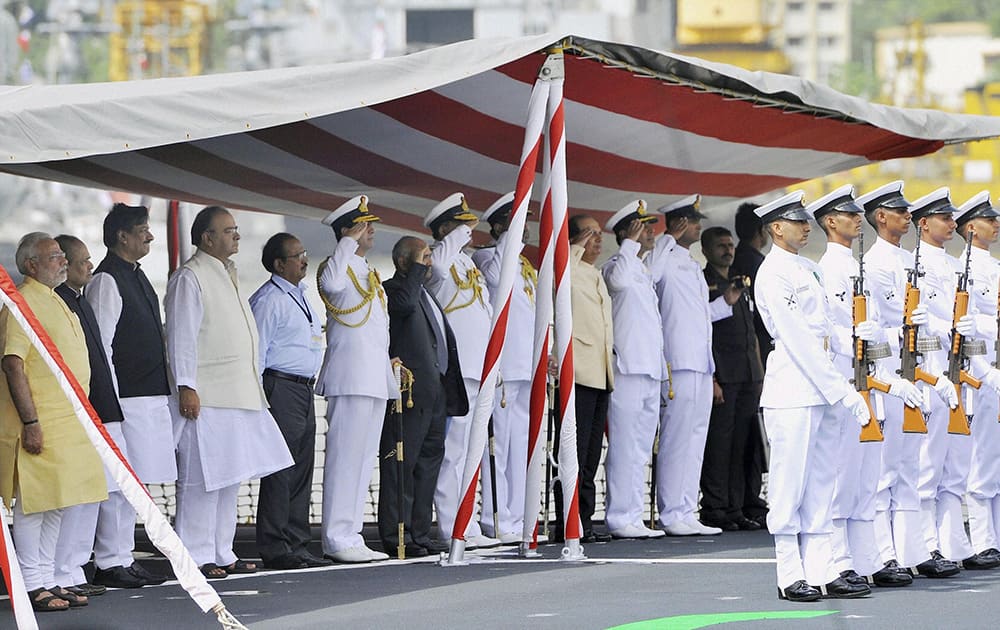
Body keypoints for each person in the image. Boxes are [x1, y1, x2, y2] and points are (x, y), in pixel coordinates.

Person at [752, 191, 871, 601]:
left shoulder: (807, 267)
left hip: (820, 389)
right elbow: (798, 338)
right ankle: (789, 574)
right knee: (790, 484)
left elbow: (823, 327)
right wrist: (842, 391)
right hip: (792, 389)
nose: (806, 227)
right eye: (797, 221)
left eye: (806, 221)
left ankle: (821, 569)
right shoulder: (772, 273)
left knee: (822, 481)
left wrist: (855, 338)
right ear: (775, 228)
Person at [165, 205, 292, 579]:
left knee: (229, 479)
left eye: (236, 230)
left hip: (237, 393)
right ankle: (193, 554)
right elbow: (181, 337)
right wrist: (186, 385)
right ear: (207, 238)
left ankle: (222, 551)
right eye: (228, 230)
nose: (236, 236)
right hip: (207, 396)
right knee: (201, 480)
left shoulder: (226, 272)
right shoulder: (190, 276)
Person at [810, 186, 918, 587]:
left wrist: (889, 379)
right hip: (846, 381)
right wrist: (853, 334)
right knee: (841, 479)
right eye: (848, 214)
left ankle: (868, 559)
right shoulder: (829, 268)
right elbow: (827, 330)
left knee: (866, 481)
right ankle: (837, 563)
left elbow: (874, 334)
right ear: (830, 222)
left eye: (859, 213)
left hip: (871, 381)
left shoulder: (856, 267)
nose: (857, 219)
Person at [857, 181, 960, 581]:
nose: (907, 217)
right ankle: (882, 555)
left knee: (910, 471)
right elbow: (876, 324)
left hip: (917, 374)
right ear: (880, 217)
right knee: (884, 474)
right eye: (899, 212)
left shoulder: (909, 260)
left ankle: (913, 550)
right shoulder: (876, 262)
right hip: (889, 377)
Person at [0, 232, 107, 611]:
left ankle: (48, 579)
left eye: (63, 255)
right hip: (41, 420)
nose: (63, 261)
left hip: (69, 421)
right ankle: (32, 586)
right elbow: (13, 363)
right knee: (36, 505)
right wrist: (30, 421)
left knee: (58, 503)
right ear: (31, 265)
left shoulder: (54, 299)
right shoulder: (21, 302)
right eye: (55, 256)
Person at [907, 188, 999, 571]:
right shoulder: (920, 264)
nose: (950, 223)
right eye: (944, 218)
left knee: (956, 468)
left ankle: (954, 545)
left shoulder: (951, 266)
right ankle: (928, 546)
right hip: (934, 373)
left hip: (965, 371)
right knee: (930, 466)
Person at [87, 203, 177, 588]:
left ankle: (123, 554)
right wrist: (109, 401)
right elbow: (101, 346)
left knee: (134, 483)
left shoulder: (135, 275)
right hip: (125, 398)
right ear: (121, 236)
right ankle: (110, 559)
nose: (150, 236)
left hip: (147, 394)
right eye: (142, 230)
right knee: (119, 483)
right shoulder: (107, 280)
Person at [647, 194, 741, 536]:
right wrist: (667, 237)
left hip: (701, 363)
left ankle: (686, 509)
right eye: (693, 220)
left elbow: (697, 316)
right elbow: (649, 278)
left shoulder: (688, 262)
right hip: (678, 363)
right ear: (680, 223)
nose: (698, 226)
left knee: (696, 437)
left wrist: (724, 304)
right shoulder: (664, 257)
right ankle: (671, 511)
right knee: (676, 438)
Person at [315, 195, 397, 563]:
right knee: (344, 459)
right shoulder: (336, 266)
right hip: (350, 378)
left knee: (363, 460)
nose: (371, 231)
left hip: (373, 377)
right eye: (364, 226)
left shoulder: (366, 269)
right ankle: (336, 536)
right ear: (348, 231)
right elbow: (331, 286)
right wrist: (346, 241)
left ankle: (351, 533)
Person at [379, 236, 468, 557]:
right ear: (405, 263)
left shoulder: (425, 293)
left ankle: (419, 533)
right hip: (410, 393)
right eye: (424, 258)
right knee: (403, 464)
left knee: (429, 464)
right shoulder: (396, 290)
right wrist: (414, 272)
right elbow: (401, 306)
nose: (430, 263)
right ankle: (397, 533)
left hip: (435, 391)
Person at [249, 232, 330, 570]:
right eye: (297, 256)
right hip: (279, 386)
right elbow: (257, 352)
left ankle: (297, 541)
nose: (304, 260)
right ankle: (275, 545)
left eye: (304, 253)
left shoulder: (302, 295)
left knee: (301, 468)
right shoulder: (269, 299)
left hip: (302, 389)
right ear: (279, 264)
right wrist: (260, 398)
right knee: (281, 468)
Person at [50, 235, 123, 598]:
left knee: (96, 490)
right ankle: (60, 571)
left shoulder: (80, 301)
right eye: (82, 262)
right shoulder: (57, 302)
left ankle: (75, 569)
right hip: (78, 411)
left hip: (100, 408)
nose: (89, 267)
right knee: (74, 495)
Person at [425, 192, 499, 549]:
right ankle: (452, 526)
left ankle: (467, 523)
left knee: (473, 451)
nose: (469, 231)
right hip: (455, 370)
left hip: (477, 367)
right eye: (461, 224)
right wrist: (453, 236)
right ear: (444, 230)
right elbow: (437, 268)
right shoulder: (440, 259)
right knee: (453, 451)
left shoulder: (468, 264)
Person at [471, 192, 536, 543]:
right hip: (504, 368)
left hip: (525, 366)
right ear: (499, 226)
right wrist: (505, 238)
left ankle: (516, 515)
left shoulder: (524, 265)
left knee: (521, 447)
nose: (524, 228)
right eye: (516, 221)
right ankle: (494, 518)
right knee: (499, 446)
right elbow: (499, 276)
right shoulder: (487, 258)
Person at [600, 200, 666, 540]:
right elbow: (619, 284)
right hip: (626, 367)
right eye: (642, 227)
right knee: (625, 445)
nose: (650, 232)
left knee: (640, 446)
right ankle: (619, 517)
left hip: (648, 368)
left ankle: (633, 515)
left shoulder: (641, 269)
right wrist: (628, 244)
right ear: (626, 233)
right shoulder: (617, 265)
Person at [551, 214, 615, 544]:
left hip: (599, 371)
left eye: (599, 234)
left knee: (591, 454)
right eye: (590, 234)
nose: (597, 240)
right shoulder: (567, 270)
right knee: (572, 453)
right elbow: (561, 280)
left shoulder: (594, 274)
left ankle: (584, 521)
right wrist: (573, 248)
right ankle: (567, 521)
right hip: (577, 372)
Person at [698, 226, 764, 532]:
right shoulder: (704, 281)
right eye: (720, 245)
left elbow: (750, 332)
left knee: (744, 444)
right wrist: (712, 377)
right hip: (723, 374)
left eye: (730, 245)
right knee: (719, 445)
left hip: (749, 374)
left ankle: (738, 506)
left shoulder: (741, 282)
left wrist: (759, 372)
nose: (728, 250)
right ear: (706, 250)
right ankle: (715, 506)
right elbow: (703, 334)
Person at [955, 192, 1000, 563]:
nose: (995, 224)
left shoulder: (993, 266)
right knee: (983, 460)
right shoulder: (964, 269)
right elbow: (964, 328)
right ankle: (983, 540)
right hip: (982, 376)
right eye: (988, 220)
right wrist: (985, 374)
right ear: (971, 228)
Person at [730, 201, 771, 527]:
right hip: (754, 361)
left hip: (753, 359)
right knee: (750, 435)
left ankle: (748, 498)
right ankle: (747, 499)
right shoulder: (754, 264)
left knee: (750, 434)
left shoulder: (748, 262)